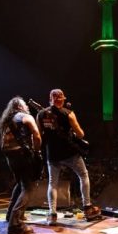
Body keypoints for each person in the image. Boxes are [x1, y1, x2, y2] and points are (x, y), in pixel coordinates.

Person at [36, 88, 101, 225]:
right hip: (69, 152)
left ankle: (52, 214)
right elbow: (81, 134)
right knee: (83, 175)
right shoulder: (69, 113)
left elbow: (38, 136)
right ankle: (87, 207)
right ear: (63, 99)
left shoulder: (41, 114)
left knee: (52, 183)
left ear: (50, 99)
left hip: (52, 153)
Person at [0, 96, 42, 234]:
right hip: (21, 154)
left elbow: (2, 143)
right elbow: (37, 135)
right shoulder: (25, 116)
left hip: (9, 156)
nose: (27, 107)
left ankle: (10, 215)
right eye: (24, 105)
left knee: (21, 183)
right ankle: (15, 224)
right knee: (28, 187)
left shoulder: (7, 121)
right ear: (19, 107)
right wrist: (36, 152)